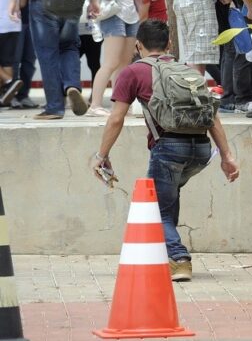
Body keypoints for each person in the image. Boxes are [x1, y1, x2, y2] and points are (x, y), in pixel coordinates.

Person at [89, 19, 240, 282]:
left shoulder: (133, 72)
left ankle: (179, 258)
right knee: (168, 199)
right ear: (169, 44)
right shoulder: (187, 70)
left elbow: (116, 118)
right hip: (201, 150)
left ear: (137, 45)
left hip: (169, 147)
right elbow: (212, 115)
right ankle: (165, 255)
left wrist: (101, 155)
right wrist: (227, 156)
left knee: (157, 207)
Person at [88, 0, 161, 116]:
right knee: (111, 62)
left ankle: (119, 104)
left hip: (131, 16)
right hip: (113, 15)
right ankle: (95, 104)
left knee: (124, 64)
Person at [0, 0, 28, 105]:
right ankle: (5, 96)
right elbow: (23, 2)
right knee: (7, 61)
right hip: (13, 24)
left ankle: (10, 81)